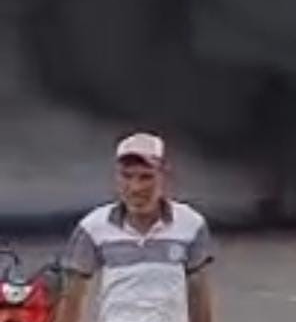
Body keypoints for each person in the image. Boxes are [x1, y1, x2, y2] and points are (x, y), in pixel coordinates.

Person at [56, 133, 215, 322]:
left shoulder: (191, 225)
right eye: (127, 176)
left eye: (146, 177)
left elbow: (199, 296)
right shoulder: (92, 227)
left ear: (164, 175)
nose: (135, 188)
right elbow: (73, 297)